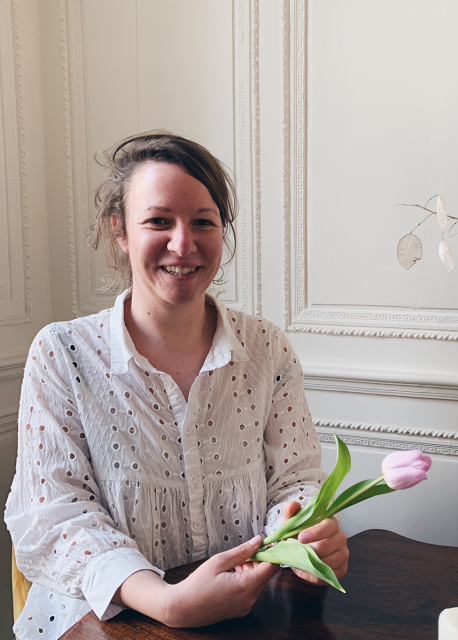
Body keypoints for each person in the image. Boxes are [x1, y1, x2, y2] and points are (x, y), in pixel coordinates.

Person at [5, 132, 349, 640]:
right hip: (102, 621)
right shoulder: (62, 353)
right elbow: (55, 519)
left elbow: (294, 479)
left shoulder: (267, 348)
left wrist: (303, 536)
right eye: (158, 221)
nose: (182, 243)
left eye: (203, 222)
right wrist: (166, 602)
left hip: (244, 613)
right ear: (120, 231)